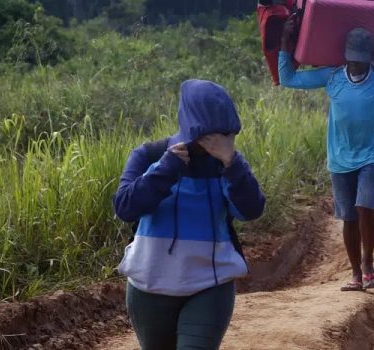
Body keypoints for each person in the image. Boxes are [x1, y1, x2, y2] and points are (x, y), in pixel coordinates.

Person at [278, 5, 374, 292]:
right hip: (340, 158)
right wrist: (286, 43)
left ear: (371, 57)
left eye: (362, 61)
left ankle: (369, 265)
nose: (357, 65)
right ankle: (355, 274)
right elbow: (288, 79)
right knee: (348, 217)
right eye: (353, 60)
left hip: (373, 155)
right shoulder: (333, 76)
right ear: (346, 57)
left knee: (365, 207)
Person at [112, 79, 266, 349]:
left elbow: (251, 211)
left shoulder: (228, 166)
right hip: (149, 286)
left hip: (210, 284)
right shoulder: (150, 156)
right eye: (208, 135)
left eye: (223, 135)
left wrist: (232, 164)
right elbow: (126, 207)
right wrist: (166, 169)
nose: (214, 142)